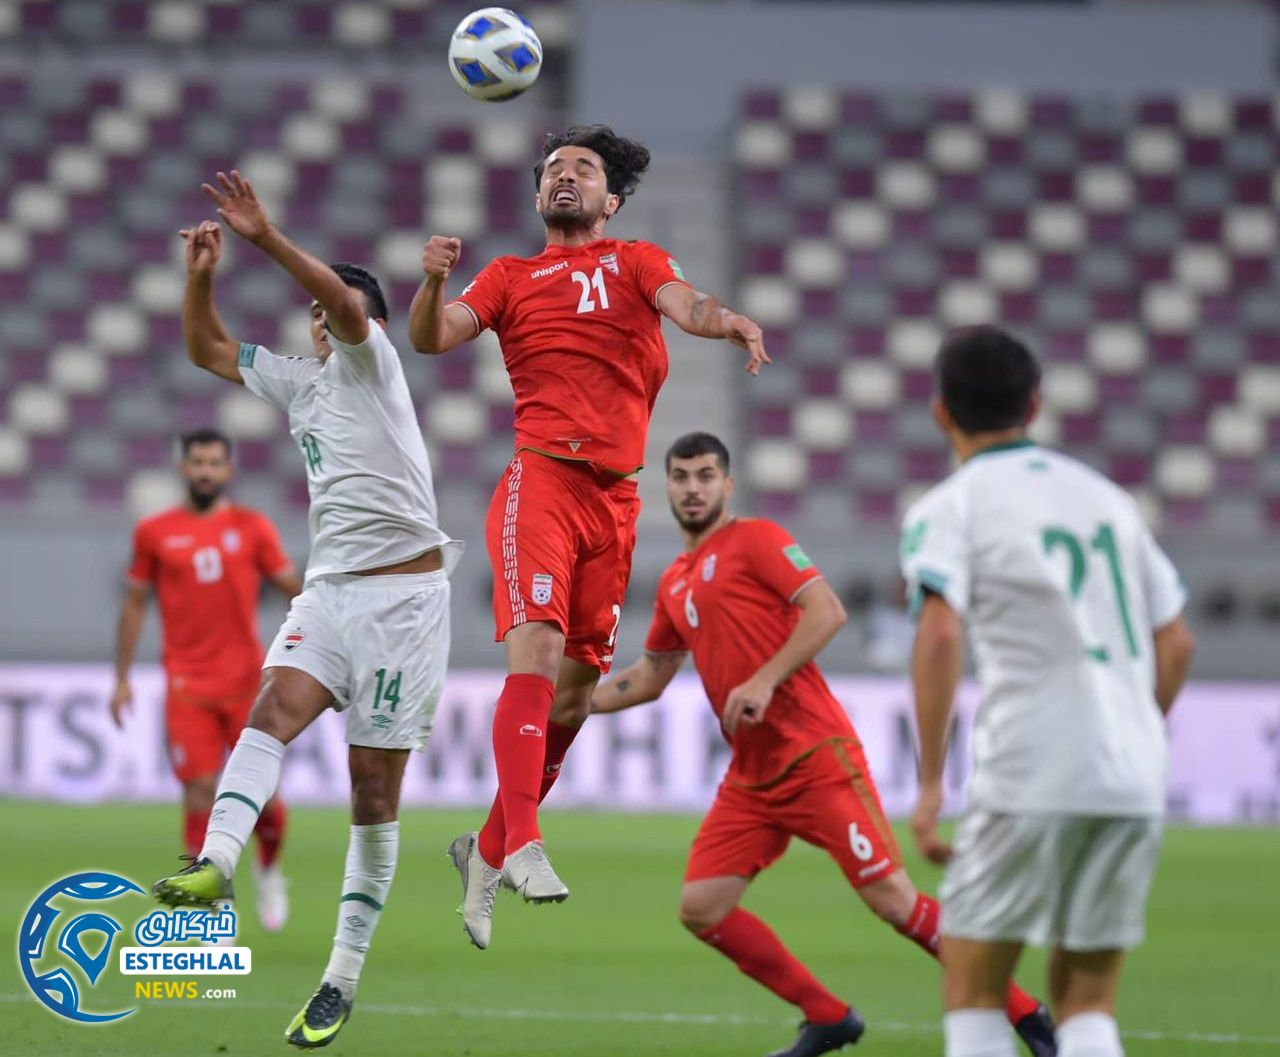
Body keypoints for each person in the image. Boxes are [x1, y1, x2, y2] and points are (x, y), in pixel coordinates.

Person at [408, 125, 769, 946]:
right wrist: (431, 285)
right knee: (534, 652)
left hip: (616, 503)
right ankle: (527, 841)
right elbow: (433, 338)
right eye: (554, 170)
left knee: (572, 695)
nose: (565, 177)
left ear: (612, 200)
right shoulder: (507, 275)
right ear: (539, 195)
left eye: (584, 170)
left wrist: (729, 320)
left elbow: (689, 305)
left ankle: (486, 848)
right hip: (542, 480)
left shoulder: (638, 261)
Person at [593, 432, 1057, 1057]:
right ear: (667, 487)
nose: (693, 488)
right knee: (702, 906)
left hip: (816, 756)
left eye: (706, 476)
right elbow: (649, 676)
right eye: (681, 477)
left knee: (894, 903)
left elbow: (826, 610)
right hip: (752, 778)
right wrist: (573, 701)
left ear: (727, 485)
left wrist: (764, 678)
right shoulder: (676, 579)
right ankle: (828, 1016)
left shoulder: (755, 540)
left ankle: (1029, 1014)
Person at [151, 171, 460, 1049]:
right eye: (318, 313)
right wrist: (203, 274)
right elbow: (208, 351)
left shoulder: (373, 362)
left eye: (337, 308)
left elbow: (341, 298)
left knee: (372, 793)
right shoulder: (301, 382)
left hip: (405, 603)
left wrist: (266, 237)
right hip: (329, 592)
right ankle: (216, 861)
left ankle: (340, 976)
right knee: (272, 710)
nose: (324, 318)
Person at [902, 326, 1195, 1057]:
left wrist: (932, 783)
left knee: (973, 991)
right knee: (1089, 1001)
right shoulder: (1108, 500)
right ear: (1035, 402)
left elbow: (939, 636)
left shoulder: (950, 506)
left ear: (941, 412)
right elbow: (1177, 640)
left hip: (1029, 768)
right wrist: (1136, 727)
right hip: (1129, 776)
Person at [112, 428, 300, 932]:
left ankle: (269, 867)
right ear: (183, 467)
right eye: (197, 462)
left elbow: (293, 589)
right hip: (186, 686)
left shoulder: (253, 528)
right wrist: (122, 678)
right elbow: (134, 604)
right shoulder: (154, 532)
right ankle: (213, 893)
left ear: (228, 470)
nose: (205, 471)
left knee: (263, 799)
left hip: (247, 685)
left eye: (215, 463)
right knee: (198, 789)